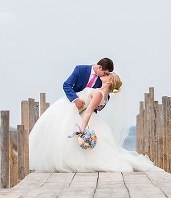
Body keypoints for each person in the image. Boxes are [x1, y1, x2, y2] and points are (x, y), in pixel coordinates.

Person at [29, 71, 160, 173]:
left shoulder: (99, 94)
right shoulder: (102, 94)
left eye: (108, 75)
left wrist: (82, 128)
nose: (105, 75)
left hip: (83, 117)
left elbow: (88, 111)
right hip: (78, 113)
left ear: (109, 81)